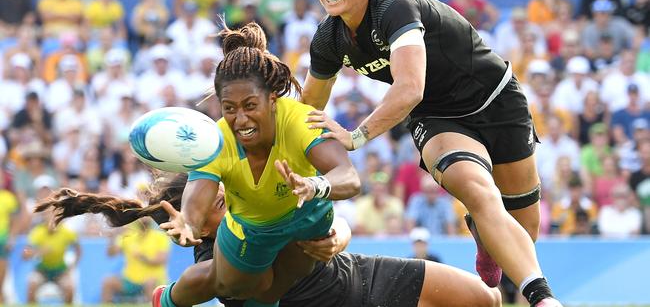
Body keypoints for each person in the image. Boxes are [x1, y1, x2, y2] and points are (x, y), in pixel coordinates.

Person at [299, 0, 560, 306]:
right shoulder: (328, 38)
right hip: (437, 116)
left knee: (524, 228)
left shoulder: (394, 6)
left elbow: (409, 87)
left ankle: (486, 237)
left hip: (498, 101)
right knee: (478, 190)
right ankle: (543, 298)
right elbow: (307, 107)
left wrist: (356, 136)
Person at [36, 172, 502, 307]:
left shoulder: (253, 203)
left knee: (485, 299)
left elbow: (333, 220)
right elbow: (214, 282)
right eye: (209, 200)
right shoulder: (216, 266)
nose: (221, 195)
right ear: (189, 216)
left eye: (218, 191)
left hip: (359, 276)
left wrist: (338, 237)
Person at [161, 21, 360, 307]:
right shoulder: (217, 139)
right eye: (229, 108)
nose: (240, 119)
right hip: (250, 228)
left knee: (272, 290)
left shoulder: (299, 120)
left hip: (305, 215)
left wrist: (315, 185)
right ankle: (166, 300)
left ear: (273, 99)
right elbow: (199, 192)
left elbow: (350, 177)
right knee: (232, 284)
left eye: (250, 105)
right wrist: (188, 223)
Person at [101, 218, 170, 303]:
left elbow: (161, 260)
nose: (144, 219)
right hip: (130, 280)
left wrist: (142, 257)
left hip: (153, 280)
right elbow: (111, 254)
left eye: (147, 216)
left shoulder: (160, 236)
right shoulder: (128, 235)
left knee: (150, 283)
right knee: (108, 282)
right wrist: (113, 237)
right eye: (142, 216)